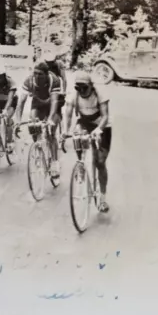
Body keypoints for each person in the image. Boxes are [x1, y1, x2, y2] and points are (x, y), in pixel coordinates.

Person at [64, 71, 112, 213]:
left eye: (84, 87)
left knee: (100, 162)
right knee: (77, 135)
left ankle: (102, 198)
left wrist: (98, 130)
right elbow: (67, 113)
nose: (82, 91)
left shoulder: (100, 93)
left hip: (101, 124)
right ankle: (81, 163)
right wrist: (65, 131)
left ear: (91, 86)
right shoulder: (74, 94)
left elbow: (105, 116)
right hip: (84, 122)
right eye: (78, 88)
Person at [16, 61, 63, 177]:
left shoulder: (54, 80)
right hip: (38, 103)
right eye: (35, 73)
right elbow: (21, 102)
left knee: (51, 131)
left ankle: (55, 162)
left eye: (40, 74)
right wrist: (17, 121)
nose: (37, 76)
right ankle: (37, 148)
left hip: (53, 104)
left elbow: (54, 102)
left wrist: (50, 119)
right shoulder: (29, 80)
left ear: (46, 74)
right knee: (33, 124)